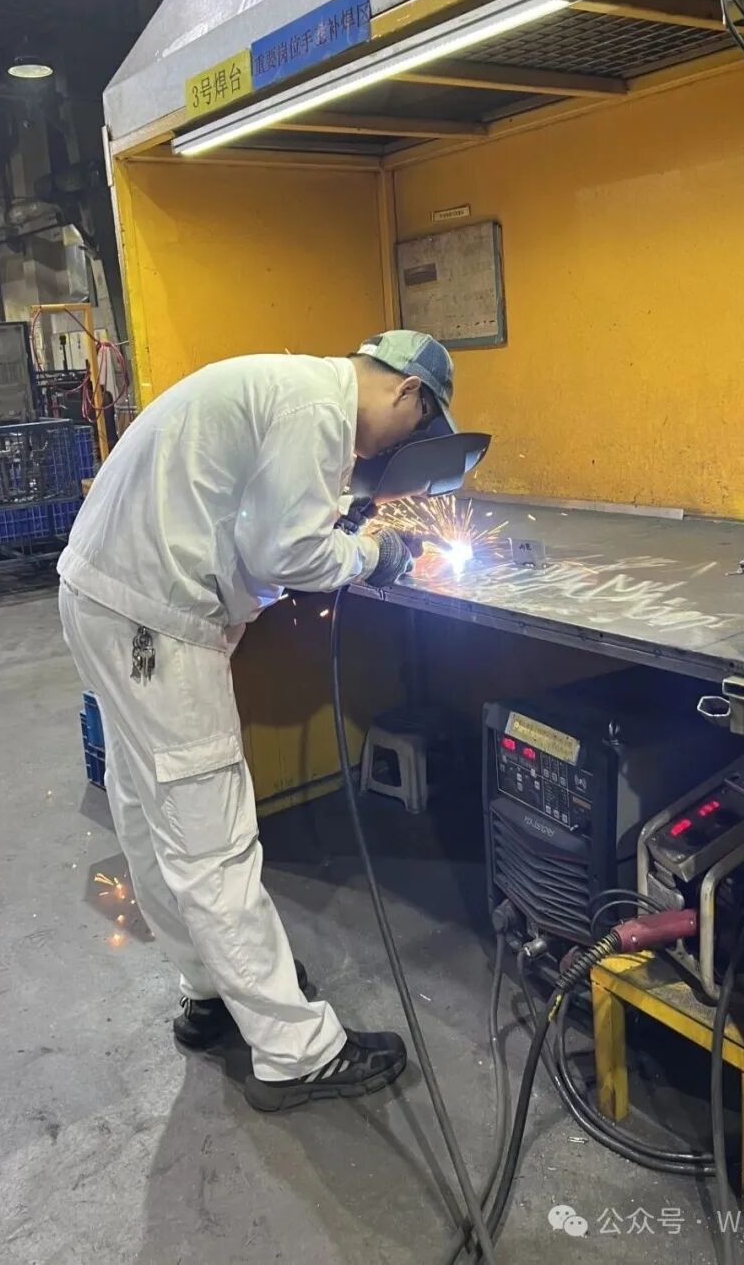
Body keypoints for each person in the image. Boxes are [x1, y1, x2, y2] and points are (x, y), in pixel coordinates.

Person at [57, 329, 459, 1111]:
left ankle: (212, 988)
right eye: (412, 429)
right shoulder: (319, 411)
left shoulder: (291, 388)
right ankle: (295, 1050)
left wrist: (342, 519)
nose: (395, 450)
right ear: (407, 391)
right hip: (154, 627)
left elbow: (253, 521)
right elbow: (289, 557)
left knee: (149, 808)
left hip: (105, 601)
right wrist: (374, 555)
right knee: (214, 837)